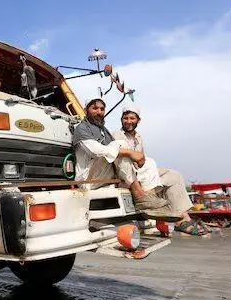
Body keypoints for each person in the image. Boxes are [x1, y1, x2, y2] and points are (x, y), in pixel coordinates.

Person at [72, 98, 179, 220]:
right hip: (88, 179)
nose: (99, 112)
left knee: (149, 162)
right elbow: (97, 151)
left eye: (102, 109)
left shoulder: (103, 130)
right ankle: (139, 196)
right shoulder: (82, 128)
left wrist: (136, 158)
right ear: (86, 110)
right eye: (95, 108)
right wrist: (130, 152)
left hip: (105, 175)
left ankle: (149, 200)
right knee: (121, 145)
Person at [113, 106, 210, 235]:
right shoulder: (117, 135)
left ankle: (180, 216)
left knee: (174, 176)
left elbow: (142, 158)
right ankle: (181, 220)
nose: (128, 121)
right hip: (127, 174)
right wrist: (135, 157)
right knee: (148, 166)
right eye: (125, 118)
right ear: (121, 119)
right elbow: (119, 157)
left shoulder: (138, 137)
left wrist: (141, 161)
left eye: (132, 118)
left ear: (138, 120)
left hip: (140, 171)